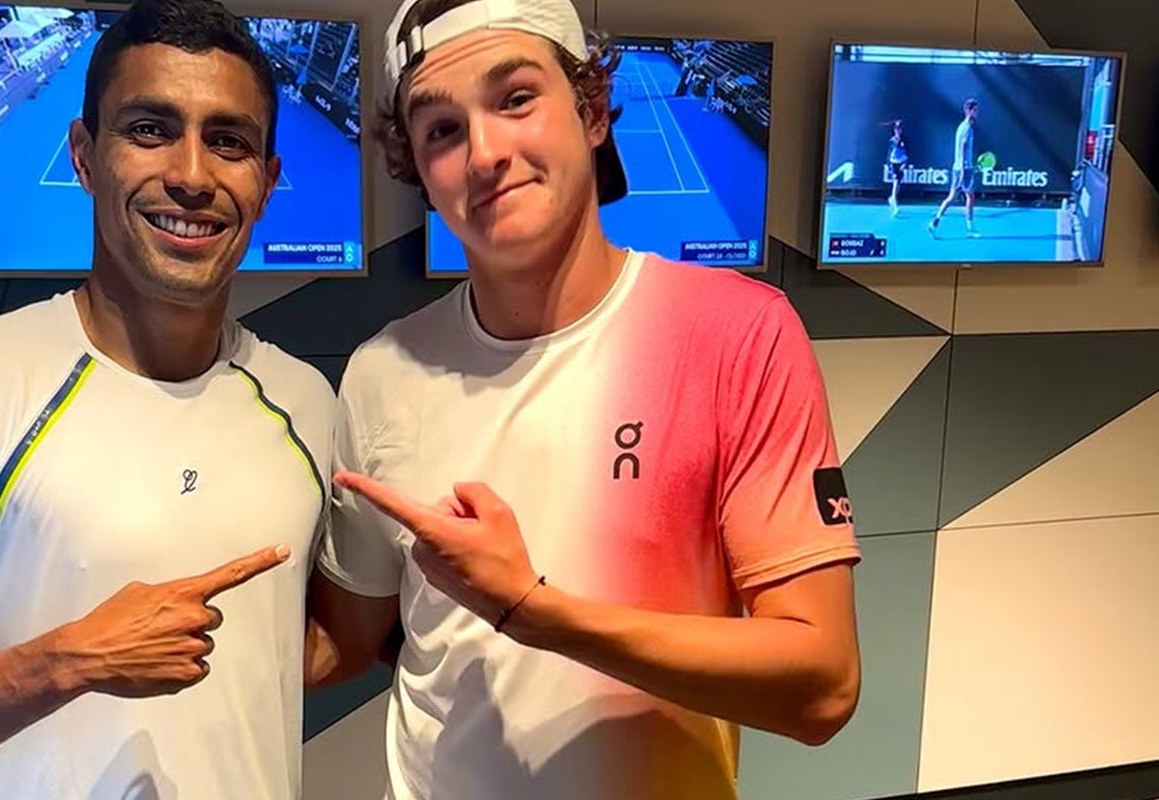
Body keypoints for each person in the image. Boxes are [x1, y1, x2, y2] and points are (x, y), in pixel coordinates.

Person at [304, 0, 863, 797]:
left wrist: (537, 614)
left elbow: (823, 686)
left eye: (515, 99)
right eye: (443, 131)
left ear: (593, 110)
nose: (485, 153)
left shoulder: (738, 335)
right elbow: (345, 639)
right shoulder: (381, 372)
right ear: (420, 172)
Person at [0, 1, 333, 798]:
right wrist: (72, 660)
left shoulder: (308, 403)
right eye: (150, 130)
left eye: (228, 141)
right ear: (85, 157)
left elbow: (299, 652)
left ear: (266, 184)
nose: (192, 176)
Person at [930, 98, 978, 237]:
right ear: (968, 111)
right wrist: (963, 170)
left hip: (958, 168)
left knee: (952, 197)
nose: (976, 113)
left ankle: (935, 221)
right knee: (970, 197)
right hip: (963, 169)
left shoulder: (961, 126)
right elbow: (963, 148)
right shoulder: (967, 128)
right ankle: (970, 228)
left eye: (977, 110)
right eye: (975, 110)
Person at [886, 118, 909, 217]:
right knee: (895, 183)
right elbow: (889, 154)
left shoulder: (905, 140)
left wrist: (905, 164)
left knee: (898, 184)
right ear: (894, 130)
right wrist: (889, 165)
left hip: (901, 163)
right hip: (893, 163)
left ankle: (892, 198)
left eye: (899, 129)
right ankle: (895, 206)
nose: (898, 130)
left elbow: (907, 152)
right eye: (896, 129)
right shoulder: (892, 141)